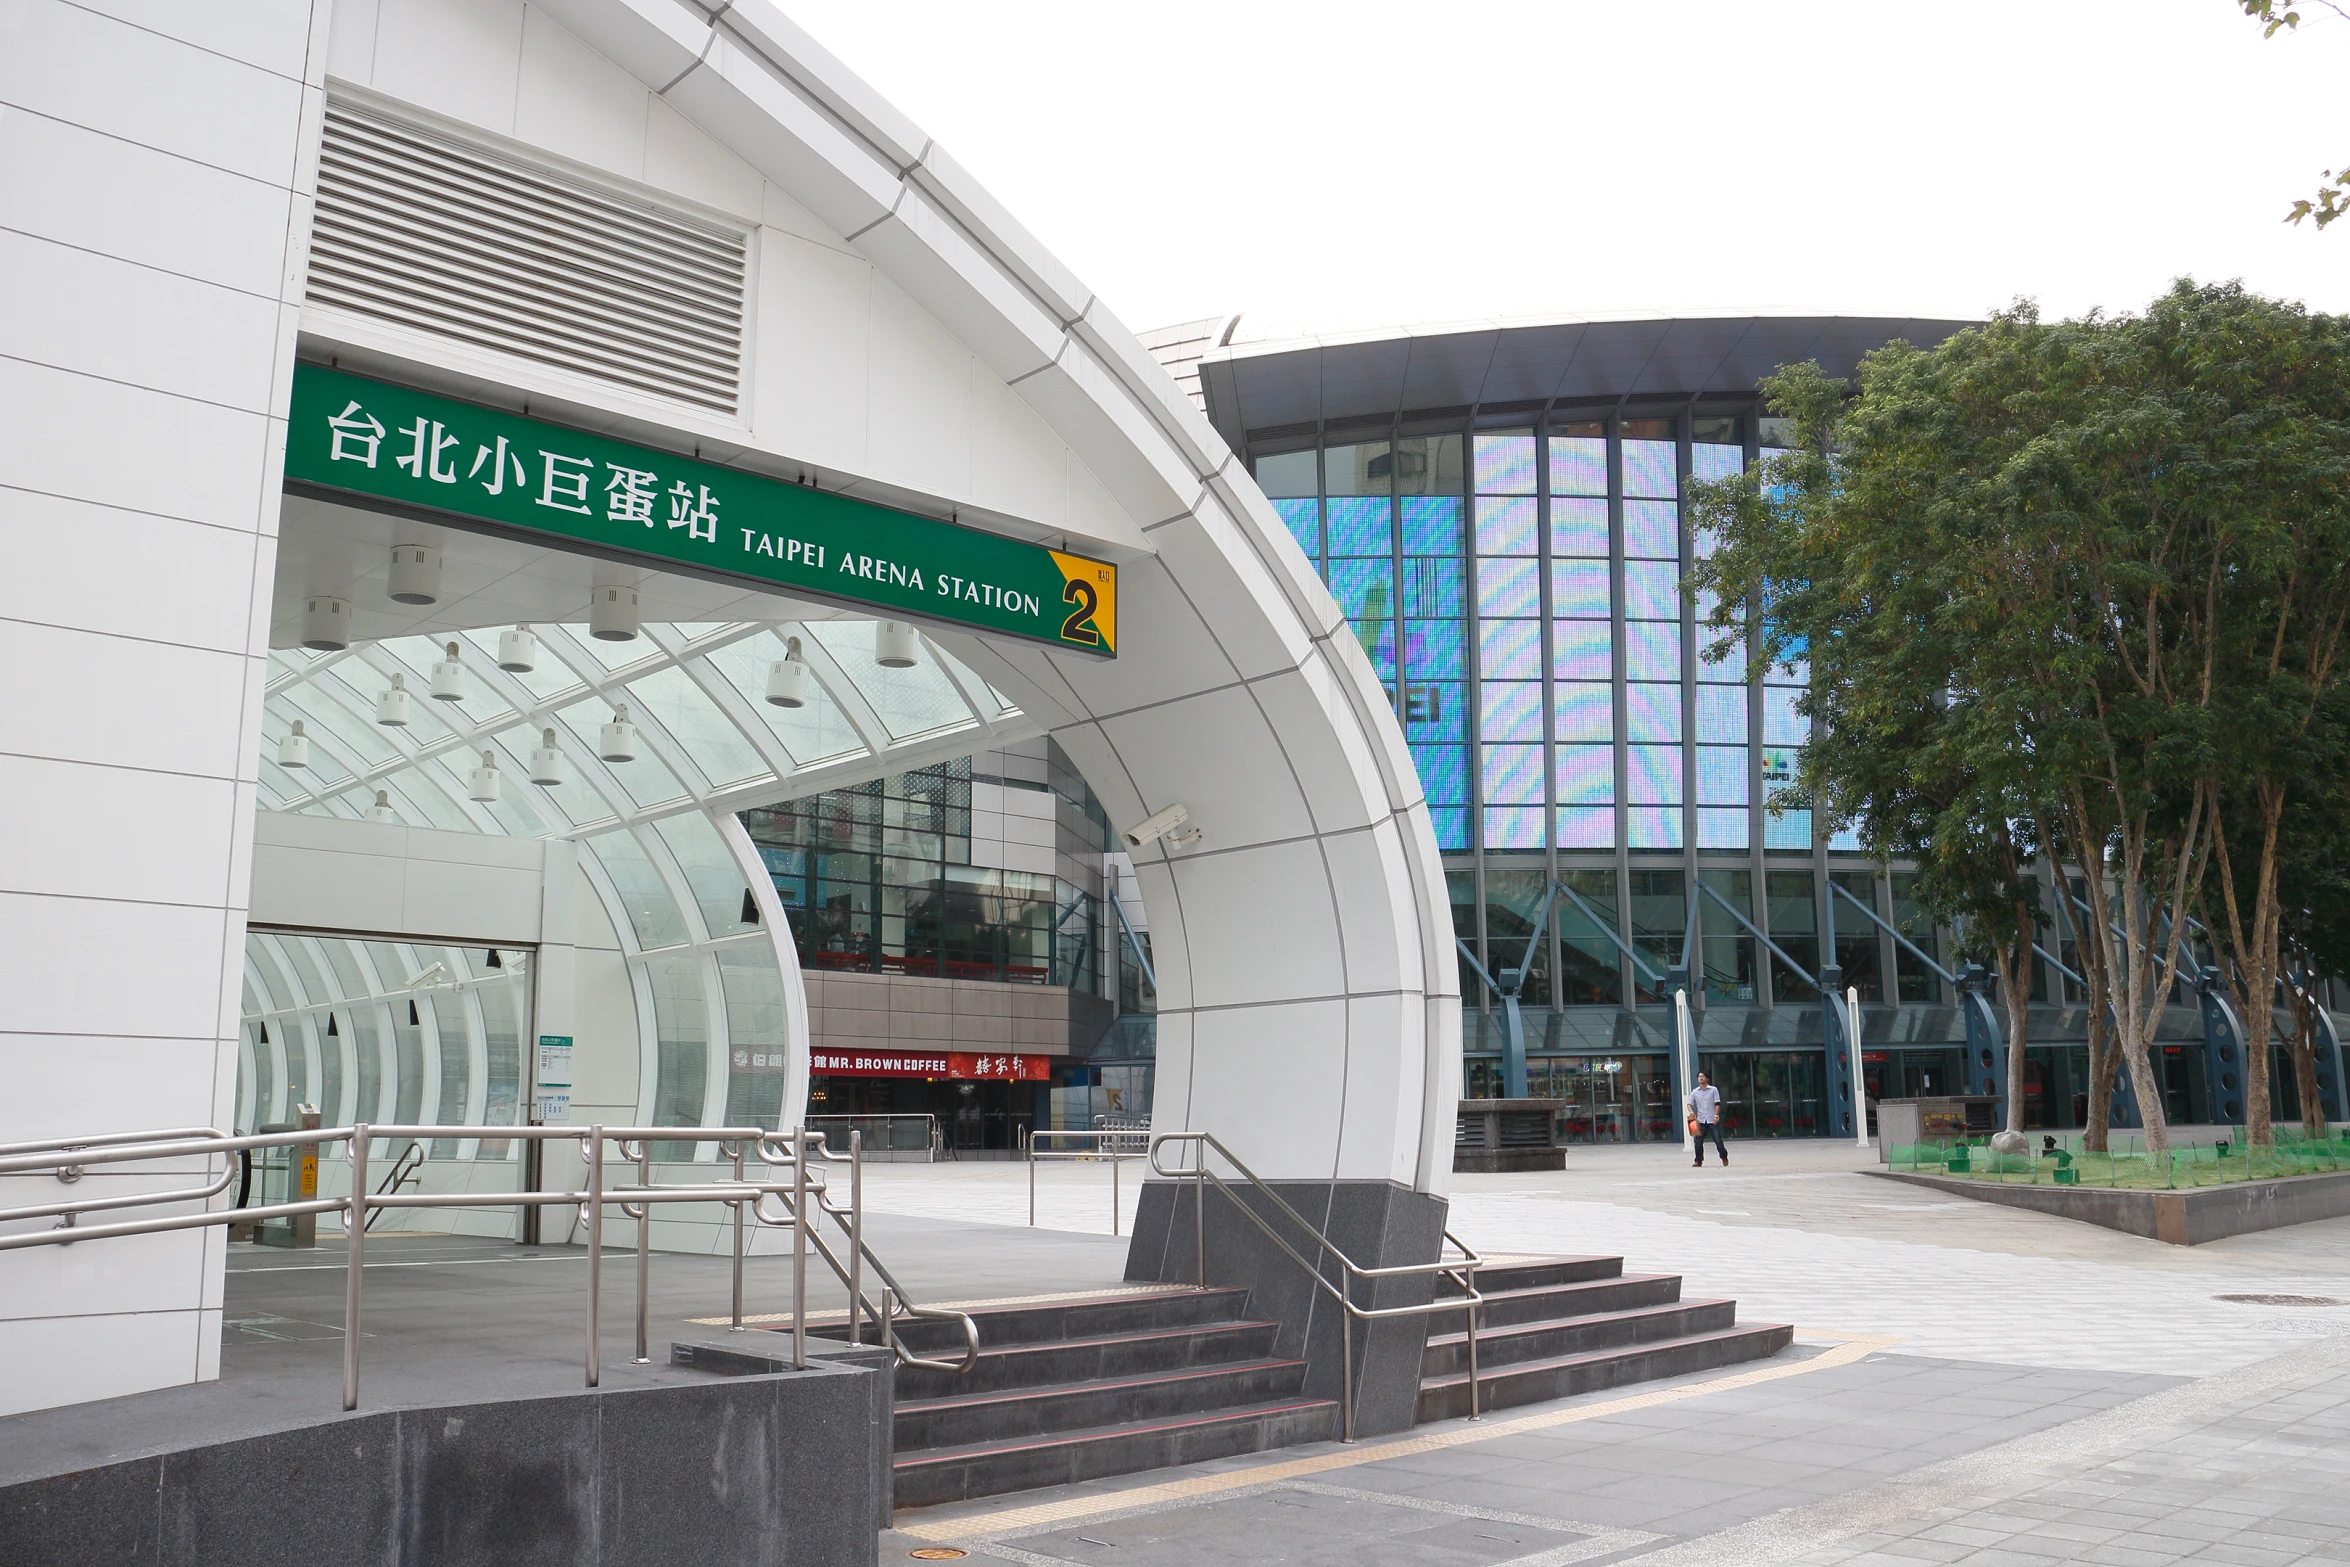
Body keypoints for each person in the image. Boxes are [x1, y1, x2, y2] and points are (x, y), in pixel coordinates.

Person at [1687, 1072, 1727, 1167]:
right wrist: (1691, 1112)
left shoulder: (1713, 1090)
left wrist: (1716, 1116)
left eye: (1702, 1076)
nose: (1700, 1078)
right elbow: (1689, 1104)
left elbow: (1717, 1104)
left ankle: (1724, 1156)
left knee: (1718, 1140)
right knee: (1698, 1142)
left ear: (1707, 1078)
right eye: (1699, 1077)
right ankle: (1698, 1160)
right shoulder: (1695, 1092)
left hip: (1712, 1119)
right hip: (1700, 1120)